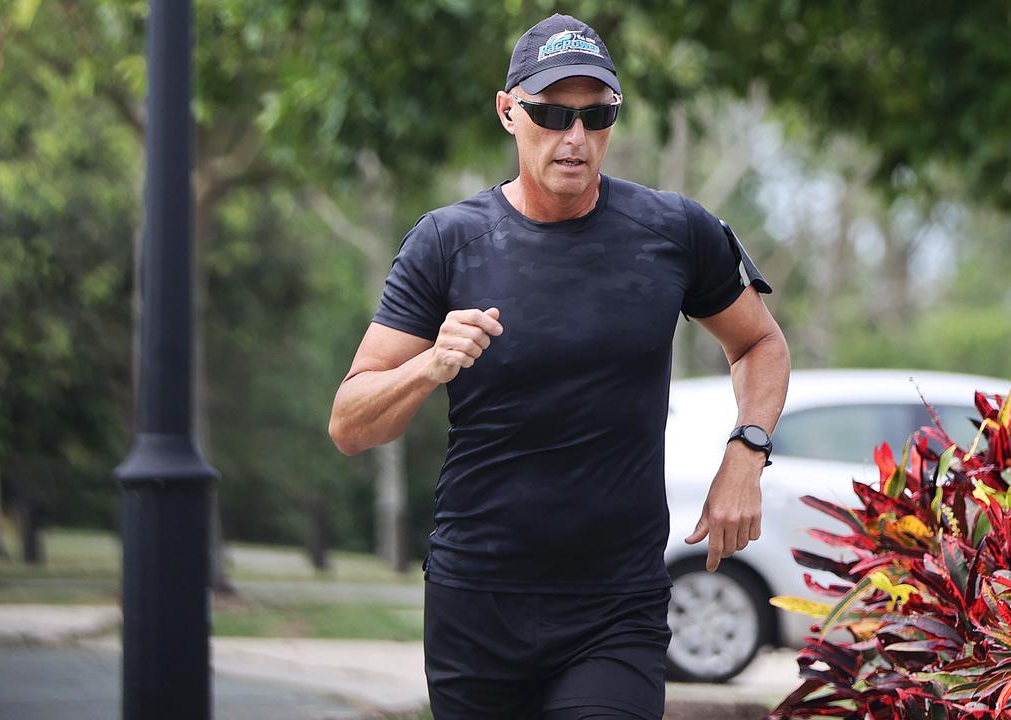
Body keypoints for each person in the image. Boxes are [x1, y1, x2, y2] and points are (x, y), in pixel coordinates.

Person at [329, 13, 790, 720]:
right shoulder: (447, 244)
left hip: (615, 607)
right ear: (508, 112)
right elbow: (350, 425)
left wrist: (746, 452)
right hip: (478, 602)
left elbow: (760, 344)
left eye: (596, 115)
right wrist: (428, 365)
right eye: (551, 113)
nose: (575, 138)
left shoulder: (672, 233)